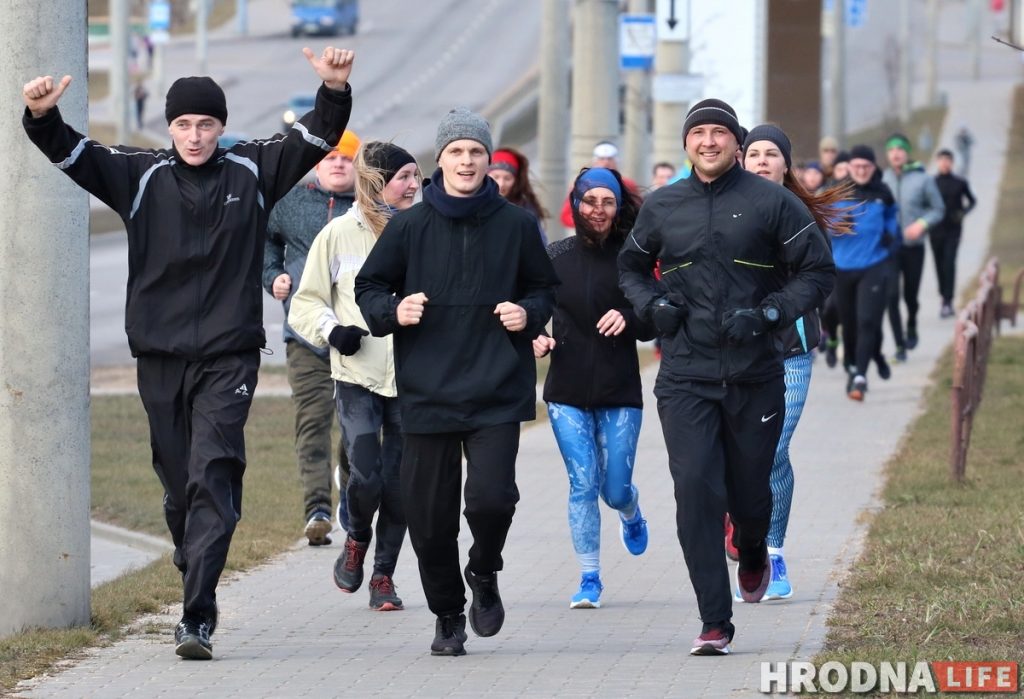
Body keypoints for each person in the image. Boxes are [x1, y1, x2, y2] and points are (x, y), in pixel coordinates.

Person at [22, 46, 355, 660]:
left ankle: (196, 615)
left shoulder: (254, 169)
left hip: (230, 354)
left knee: (214, 473)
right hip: (159, 355)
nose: (195, 136)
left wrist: (334, 87)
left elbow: (316, 136)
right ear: (169, 128)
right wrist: (43, 116)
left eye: (205, 124)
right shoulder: (140, 174)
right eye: (183, 125)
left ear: (222, 128)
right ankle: (190, 542)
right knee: (180, 484)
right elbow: (75, 154)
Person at [618, 99, 834, 656]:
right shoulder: (664, 206)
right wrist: (653, 306)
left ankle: (756, 550)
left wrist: (768, 314)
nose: (709, 142)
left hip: (753, 371)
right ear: (686, 144)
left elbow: (817, 271)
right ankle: (714, 620)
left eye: (720, 133)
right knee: (695, 492)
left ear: (737, 144)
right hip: (685, 376)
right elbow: (631, 269)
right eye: (699, 134)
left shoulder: (772, 203)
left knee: (748, 493)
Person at [354, 108, 559, 657]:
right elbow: (369, 286)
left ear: (488, 161)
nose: (466, 161)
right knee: (429, 519)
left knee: (492, 500)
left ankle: (484, 573)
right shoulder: (409, 226)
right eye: (456, 152)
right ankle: (447, 613)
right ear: (439, 160)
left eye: (475, 152)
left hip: (496, 389)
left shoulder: (516, 225)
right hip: (427, 391)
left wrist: (529, 314)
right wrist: (395, 311)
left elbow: (544, 289)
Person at [289, 141, 420, 612]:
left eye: (415, 175)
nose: (412, 185)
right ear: (375, 182)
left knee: (402, 481)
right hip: (357, 373)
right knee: (365, 473)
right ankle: (357, 538)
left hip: (414, 377)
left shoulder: (428, 231)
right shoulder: (338, 234)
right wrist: (333, 330)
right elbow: (305, 302)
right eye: (401, 176)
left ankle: (383, 576)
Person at [740, 124, 852, 599]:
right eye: (754, 154)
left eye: (771, 154)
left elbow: (819, 275)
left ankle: (775, 554)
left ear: (786, 165)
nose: (762, 161)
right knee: (737, 459)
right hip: (736, 352)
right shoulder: (723, 210)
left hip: (790, 349)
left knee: (773, 451)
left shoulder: (801, 216)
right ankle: (742, 523)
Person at [533, 167, 650, 610]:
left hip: (620, 389)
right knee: (583, 483)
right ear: (575, 203)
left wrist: (630, 317)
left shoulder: (632, 256)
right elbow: (533, 306)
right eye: (590, 201)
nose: (597, 210)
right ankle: (589, 577)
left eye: (607, 202)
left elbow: (654, 314)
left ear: (619, 207)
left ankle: (631, 511)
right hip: (566, 392)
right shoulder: (555, 255)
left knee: (614, 489)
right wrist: (535, 335)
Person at [263, 129, 361, 546]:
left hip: (360, 339)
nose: (338, 164)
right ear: (317, 164)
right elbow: (264, 246)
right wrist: (272, 277)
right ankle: (317, 507)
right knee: (313, 419)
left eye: (347, 158)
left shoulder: (370, 207)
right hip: (305, 335)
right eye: (330, 158)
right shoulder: (289, 202)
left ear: (358, 166)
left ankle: (350, 492)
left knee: (356, 427)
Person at [834, 145, 899, 400]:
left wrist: (891, 235)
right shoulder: (835, 192)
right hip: (842, 267)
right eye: (856, 166)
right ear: (849, 167)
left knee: (867, 320)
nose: (861, 171)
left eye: (866, 166)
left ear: (874, 168)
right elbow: (818, 223)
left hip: (874, 264)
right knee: (848, 324)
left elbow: (893, 216)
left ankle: (860, 376)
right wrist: (835, 225)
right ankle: (851, 363)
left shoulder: (883, 193)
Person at [881, 133, 945, 361]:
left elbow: (938, 209)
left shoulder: (923, 179)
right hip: (889, 248)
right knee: (890, 295)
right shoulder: (882, 179)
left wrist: (922, 224)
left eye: (900, 149)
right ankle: (899, 346)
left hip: (913, 246)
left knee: (910, 295)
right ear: (887, 154)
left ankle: (912, 323)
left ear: (907, 153)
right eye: (891, 150)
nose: (896, 153)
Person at [931, 149, 976, 318]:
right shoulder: (931, 183)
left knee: (949, 263)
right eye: (941, 160)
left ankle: (948, 301)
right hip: (935, 230)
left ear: (952, 162)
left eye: (947, 160)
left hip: (953, 230)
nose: (944, 163)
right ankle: (943, 295)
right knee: (939, 264)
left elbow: (972, 201)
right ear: (937, 162)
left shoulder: (960, 182)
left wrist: (963, 212)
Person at [559, 141, 640, 228]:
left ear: (616, 161)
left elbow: (638, 213)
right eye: (601, 159)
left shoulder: (628, 185)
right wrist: (591, 222)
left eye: (610, 159)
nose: (606, 163)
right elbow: (566, 217)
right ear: (594, 161)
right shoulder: (581, 184)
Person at [487, 146, 549, 243]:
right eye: (496, 177)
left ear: (516, 180)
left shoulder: (526, 209)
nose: (501, 183)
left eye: (507, 178)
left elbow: (539, 243)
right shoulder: (475, 203)